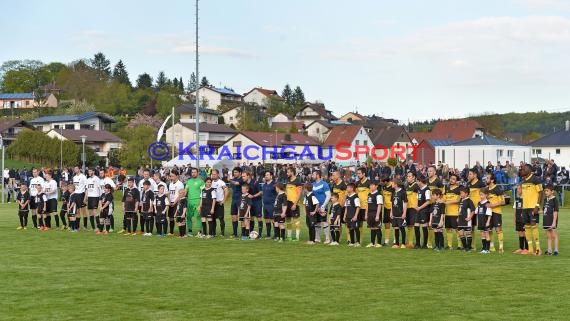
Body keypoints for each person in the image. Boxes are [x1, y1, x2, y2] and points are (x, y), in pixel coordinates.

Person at [520, 164, 544, 256]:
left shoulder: (535, 179)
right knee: (526, 227)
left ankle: (538, 249)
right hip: (525, 207)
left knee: (533, 226)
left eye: (524, 169)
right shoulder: (523, 180)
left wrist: (537, 206)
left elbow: (541, 193)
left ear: (529, 170)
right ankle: (530, 249)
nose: (522, 170)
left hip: (533, 207)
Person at [486, 173, 505, 253]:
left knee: (498, 229)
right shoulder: (486, 189)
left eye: (487, 178)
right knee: (489, 229)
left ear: (492, 180)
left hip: (496, 212)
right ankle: (491, 246)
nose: (486, 179)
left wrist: (492, 205)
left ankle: (501, 247)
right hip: (488, 213)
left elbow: (503, 202)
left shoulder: (498, 189)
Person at [467, 168, 485, 250]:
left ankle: (485, 246)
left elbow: (485, 195)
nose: (469, 175)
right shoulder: (468, 184)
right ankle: (473, 245)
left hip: (480, 209)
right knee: (471, 227)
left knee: (482, 228)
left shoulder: (481, 184)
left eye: (470, 174)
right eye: (469, 174)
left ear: (475, 175)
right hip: (471, 209)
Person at [242, 170, 263, 239]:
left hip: (257, 202)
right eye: (242, 176)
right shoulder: (245, 183)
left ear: (248, 176)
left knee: (259, 217)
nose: (243, 177)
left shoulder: (255, 182)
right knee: (251, 218)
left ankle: (260, 234)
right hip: (249, 203)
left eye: (244, 176)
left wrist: (253, 196)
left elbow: (261, 192)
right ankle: (250, 233)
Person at [312, 170, 331, 243]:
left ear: (317, 175)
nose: (312, 176)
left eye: (313, 174)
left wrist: (323, 205)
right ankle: (317, 238)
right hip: (315, 207)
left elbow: (328, 195)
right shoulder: (312, 184)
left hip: (323, 206)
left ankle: (327, 238)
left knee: (324, 222)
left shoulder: (324, 184)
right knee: (317, 222)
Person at [426, 165, 443, 248]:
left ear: (435, 172)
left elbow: (442, 193)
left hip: (436, 206)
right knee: (429, 225)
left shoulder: (438, 182)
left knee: (437, 226)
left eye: (431, 171)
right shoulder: (426, 181)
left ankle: (437, 244)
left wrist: (439, 202)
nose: (429, 172)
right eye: (428, 171)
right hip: (427, 205)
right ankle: (429, 243)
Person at [185, 168, 205, 237]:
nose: (193, 173)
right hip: (190, 202)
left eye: (195, 172)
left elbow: (203, 192)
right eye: (192, 172)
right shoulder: (188, 181)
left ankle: (199, 232)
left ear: (197, 173)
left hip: (198, 201)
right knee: (189, 217)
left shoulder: (201, 181)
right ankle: (190, 232)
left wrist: (201, 203)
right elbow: (185, 191)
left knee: (198, 217)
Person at [444, 174, 461, 250]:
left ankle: (459, 245)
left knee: (457, 229)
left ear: (456, 181)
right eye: (451, 178)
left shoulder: (459, 189)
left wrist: (448, 202)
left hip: (455, 213)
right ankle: (449, 245)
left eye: (453, 179)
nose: (451, 180)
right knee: (448, 229)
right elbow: (443, 198)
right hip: (447, 213)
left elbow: (458, 200)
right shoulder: (446, 188)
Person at [285, 166, 303, 241]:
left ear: (292, 172)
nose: (287, 173)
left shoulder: (297, 181)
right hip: (287, 203)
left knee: (296, 220)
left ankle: (297, 237)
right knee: (288, 219)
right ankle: (289, 236)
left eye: (288, 172)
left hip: (294, 203)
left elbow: (299, 194)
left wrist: (295, 204)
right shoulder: (287, 180)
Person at [137, 169, 157, 235]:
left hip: (150, 205)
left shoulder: (152, 182)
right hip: (143, 204)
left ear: (149, 174)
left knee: (150, 218)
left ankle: (150, 231)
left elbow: (153, 196)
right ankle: (145, 230)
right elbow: (140, 193)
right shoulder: (141, 182)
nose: (146, 175)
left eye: (147, 174)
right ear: (143, 174)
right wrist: (141, 204)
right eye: (145, 174)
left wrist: (151, 207)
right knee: (144, 217)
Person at [390, 178, 408, 249]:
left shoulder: (403, 192)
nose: (391, 184)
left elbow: (405, 203)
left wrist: (404, 213)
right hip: (395, 213)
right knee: (396, 228)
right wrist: (391, 212)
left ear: (396, 184)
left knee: (401, 228)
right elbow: (392, 203)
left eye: (392, 183)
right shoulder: (393, 192)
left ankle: (403, 243)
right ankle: (397, 243)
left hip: (401, 213)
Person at [365, 180, 383, 248]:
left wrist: (378, 215)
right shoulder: (369, 194)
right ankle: (372, 243)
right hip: (370, 213)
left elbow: (379, 205)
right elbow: (367, 205)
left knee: (377, 227)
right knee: (372, 228)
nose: (371, 186)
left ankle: (379, 243)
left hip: (376, 213)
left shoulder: (378, 195)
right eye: (370, 185)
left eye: (372, 185)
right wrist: (366, 214)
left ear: (376, 186)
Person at [542, 185, 559, 256]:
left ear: (552, 191)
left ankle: (556, 250)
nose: (546, 192)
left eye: (547, 191)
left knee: (554, 236)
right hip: (546, 219)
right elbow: (544, 210)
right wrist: (535, 211)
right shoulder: (545, 199)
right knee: (548, 236)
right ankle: (549, 250)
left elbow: (555, 211)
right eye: (545, 191)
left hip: (552, 220)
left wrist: (554, 222)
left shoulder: (555, 200)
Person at [330, 170, 347, 242]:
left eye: (333, 175)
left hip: (342, 207)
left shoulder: (343, 184)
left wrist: (342, 205)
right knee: (338, 223)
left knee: (346, 222)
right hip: (335, 207)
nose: (332, 177)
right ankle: (338, 239)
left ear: (338, 176)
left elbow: (346, 195)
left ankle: (349, 239)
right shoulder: (334, 184)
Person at [355, 167, 371, 243]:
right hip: (359, 207)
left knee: (371, 224)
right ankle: (360, 240)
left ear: (364, 174)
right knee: (359, 224)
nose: (358, 175)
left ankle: (374, 241)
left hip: (367, 207)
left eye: (359, 173)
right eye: (357, 173)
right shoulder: (357, 183)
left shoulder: (369, 183)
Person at [211, 169, 228, 237]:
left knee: (221, 218)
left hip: (219, 203)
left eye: (214, 174)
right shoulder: (211, 182)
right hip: (213, 203)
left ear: (218, 174)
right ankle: (214, 233)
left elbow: (226, 191)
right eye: (212, 174)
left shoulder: (221, 182)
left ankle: (222, 233)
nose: (213, 175)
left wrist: (223, 200)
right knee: (213, 219)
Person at [167, 170, 185, 236]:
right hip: (171, 203)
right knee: (171, 218)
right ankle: (171, 232)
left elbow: (180, 194)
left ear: (177, 176)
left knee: (179, 218)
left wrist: (175, 202)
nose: (171, 177)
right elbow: (170, 193)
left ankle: (183, 233)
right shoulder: (171, 184)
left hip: (177, 203)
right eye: (170, 176)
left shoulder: (180, 184)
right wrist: (169, 201)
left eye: (172, 176)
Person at [457, 187, 475, 251]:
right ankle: (465, 247)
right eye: (460, 193)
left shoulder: (469, 201)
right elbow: (459, 210)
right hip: (460, 220)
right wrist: (458, 217)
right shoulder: (461, 200)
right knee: (461, 233)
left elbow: (473, 210)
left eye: (461, 193)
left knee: (468, 233)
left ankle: (469, 247)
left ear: (466, 193)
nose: (460, 194)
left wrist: (470, 217)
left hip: (467, 220)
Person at [415, 177, 431, 249]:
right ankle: (417, 244)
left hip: (424, 211)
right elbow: (418, 199)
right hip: (419, 210)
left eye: (417, 181)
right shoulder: (419, 189)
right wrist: (416, 206)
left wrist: (420, 207)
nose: (416, 183)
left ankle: (425, 245)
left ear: (420, 181)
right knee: (416, 226)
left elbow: (428, 202)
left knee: (424, 226)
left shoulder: (427, 190)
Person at [475, 188, 493, 254]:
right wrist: (477, 221)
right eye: (480, 195)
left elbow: (489, 214)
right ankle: (483, 248)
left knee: (487, 234)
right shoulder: (479, 203)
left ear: (486, 195)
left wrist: (488, 222)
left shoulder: (488, 203)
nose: (481, 196)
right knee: (482, 235)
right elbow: (476, 213)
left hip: (485, 221)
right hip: (480, 221)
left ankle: (487, 249)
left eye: (482, 195)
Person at [512, 185, 528, 254]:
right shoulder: (517, 199)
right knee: (520, 233)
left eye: (519, 188)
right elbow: (515, 210)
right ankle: (521, 248)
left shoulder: (526, 199)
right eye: (517, 189)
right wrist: (514, 219)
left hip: (524, 219)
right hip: (518, 219)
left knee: (525, 233)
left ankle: (527, 249)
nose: (517, 190)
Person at [262, 171, 277, 240]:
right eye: (265, 175)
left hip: (272, 205)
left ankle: (276, 235)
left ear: (271, 176)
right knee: (267, 220)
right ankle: (268, 235)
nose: (266, 176)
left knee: (273, 220)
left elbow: (278, 195)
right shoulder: (264, 185)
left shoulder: (274, 184)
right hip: (265, 205)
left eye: (267, 175)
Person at [229, 167, 243, 238]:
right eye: (234, 172)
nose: (234, 174)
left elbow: (237, 183)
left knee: (240, 216)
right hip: (233, 200)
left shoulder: (242, 179)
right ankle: (235, 233)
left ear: (240, 173)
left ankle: (243, 233)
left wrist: (229, 179)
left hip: (240, 200)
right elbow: (231, 187)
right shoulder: (233, 179)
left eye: (236, 172)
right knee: (233, 216)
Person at [405, 172, 419, 248]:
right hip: (407, 208)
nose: (408, 177)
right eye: (407, 176)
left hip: (413, 208)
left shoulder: (416, 186)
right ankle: (410, 243)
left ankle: (415, 242)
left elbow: (418, 197)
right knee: (409, 225)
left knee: (414, 225)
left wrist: (417, 206)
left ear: (413, 177)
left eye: (409, 176)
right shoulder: (407, 186)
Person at [72, 166, 87, 230]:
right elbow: (74, 187)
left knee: (84, 211)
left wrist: (85, 197)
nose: (75, 170)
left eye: (76, 169)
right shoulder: (74, 177)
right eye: (74, 169)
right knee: (77, 211)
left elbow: (86, 187)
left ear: (79, 169)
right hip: (76, 195)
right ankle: (77, 226)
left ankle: (85, 226)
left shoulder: (83, 176)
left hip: (82, 194)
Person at [381, 177, 394, 246]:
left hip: (393, 208)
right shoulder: (383, 187)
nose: (382, 183)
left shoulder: (393, 186)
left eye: (383, 182)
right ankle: (386, 241)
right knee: (386, 223)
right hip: (386, 208)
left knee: (395, 224)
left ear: (386, 181)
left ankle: (395, 240)